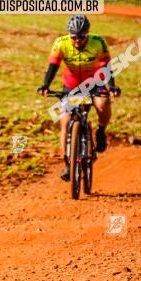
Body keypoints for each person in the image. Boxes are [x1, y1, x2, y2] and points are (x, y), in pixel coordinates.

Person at [37, 14, 120, 181]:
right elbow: (53, 66)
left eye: (81, 36)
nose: (77, 40)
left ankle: (101, 132)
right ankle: (68, 163)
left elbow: (106, 66)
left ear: (87, 34)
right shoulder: (61, 43)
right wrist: (45, 85)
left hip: (94, 83)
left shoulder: (98, 42)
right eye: (73, 36)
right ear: (69, 35)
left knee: (103, 103)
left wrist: (111, 86)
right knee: (65, 122)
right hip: (71, 87)